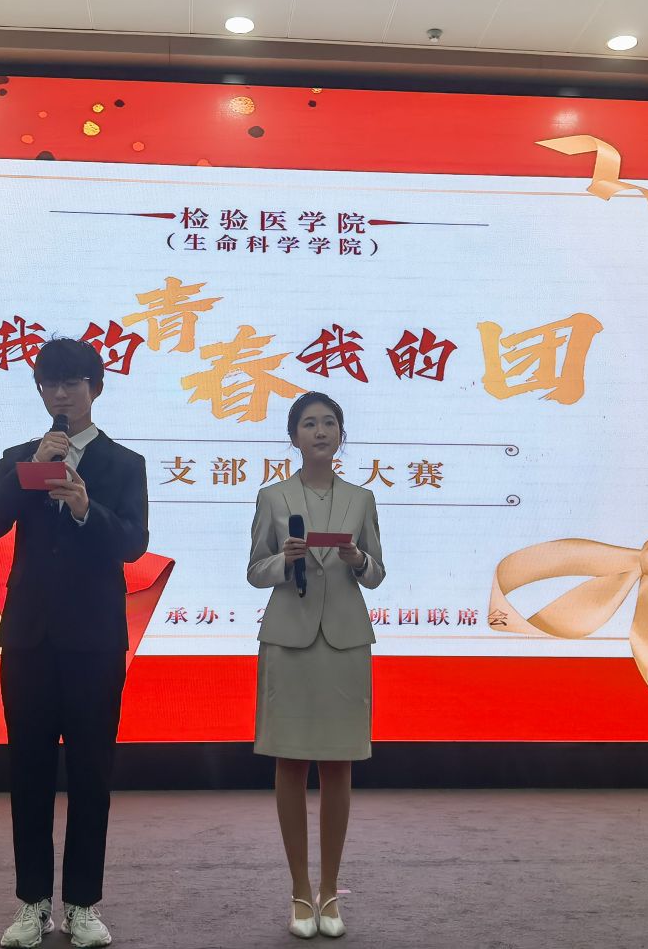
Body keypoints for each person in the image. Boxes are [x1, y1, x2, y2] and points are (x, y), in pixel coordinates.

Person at [0, 338, 150, 949]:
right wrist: (32, 470)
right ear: (41, 393)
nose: (61, 394)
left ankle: (81, 905)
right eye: (50, 384)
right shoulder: (20, 457)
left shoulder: (123, 464)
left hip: (94, 639)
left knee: (91, 773)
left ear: (94, 388)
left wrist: (84, 507)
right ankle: (32, 904)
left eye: (73, 383)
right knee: (28, 772)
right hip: (29, 637)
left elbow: (133, 543)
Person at [245, 392, 385, 939]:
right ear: (293, 436)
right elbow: (255, 570)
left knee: (339, 765)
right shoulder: (273, 496)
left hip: (344, 642)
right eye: (309, 424)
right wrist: (285, 561)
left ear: (341, 434)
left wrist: (358, 559)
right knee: (289, 762)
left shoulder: (362, 498)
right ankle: (300, 892)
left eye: (329, 423)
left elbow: (376, 573)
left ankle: (330, 891)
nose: (320, 432)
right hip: (290, 639)